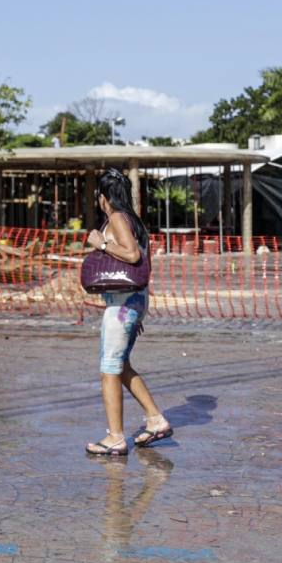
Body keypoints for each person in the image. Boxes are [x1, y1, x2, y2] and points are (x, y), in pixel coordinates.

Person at [84, 168, 172, 456]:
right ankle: (156, 420)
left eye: (98, 195)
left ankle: (115, 437)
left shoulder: (118, 218)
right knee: (120, 366)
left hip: (123, 306)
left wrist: (102, 244)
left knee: (109, 368)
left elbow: (132, 255)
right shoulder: (131, 219)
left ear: (104, 197)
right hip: (130, 304)